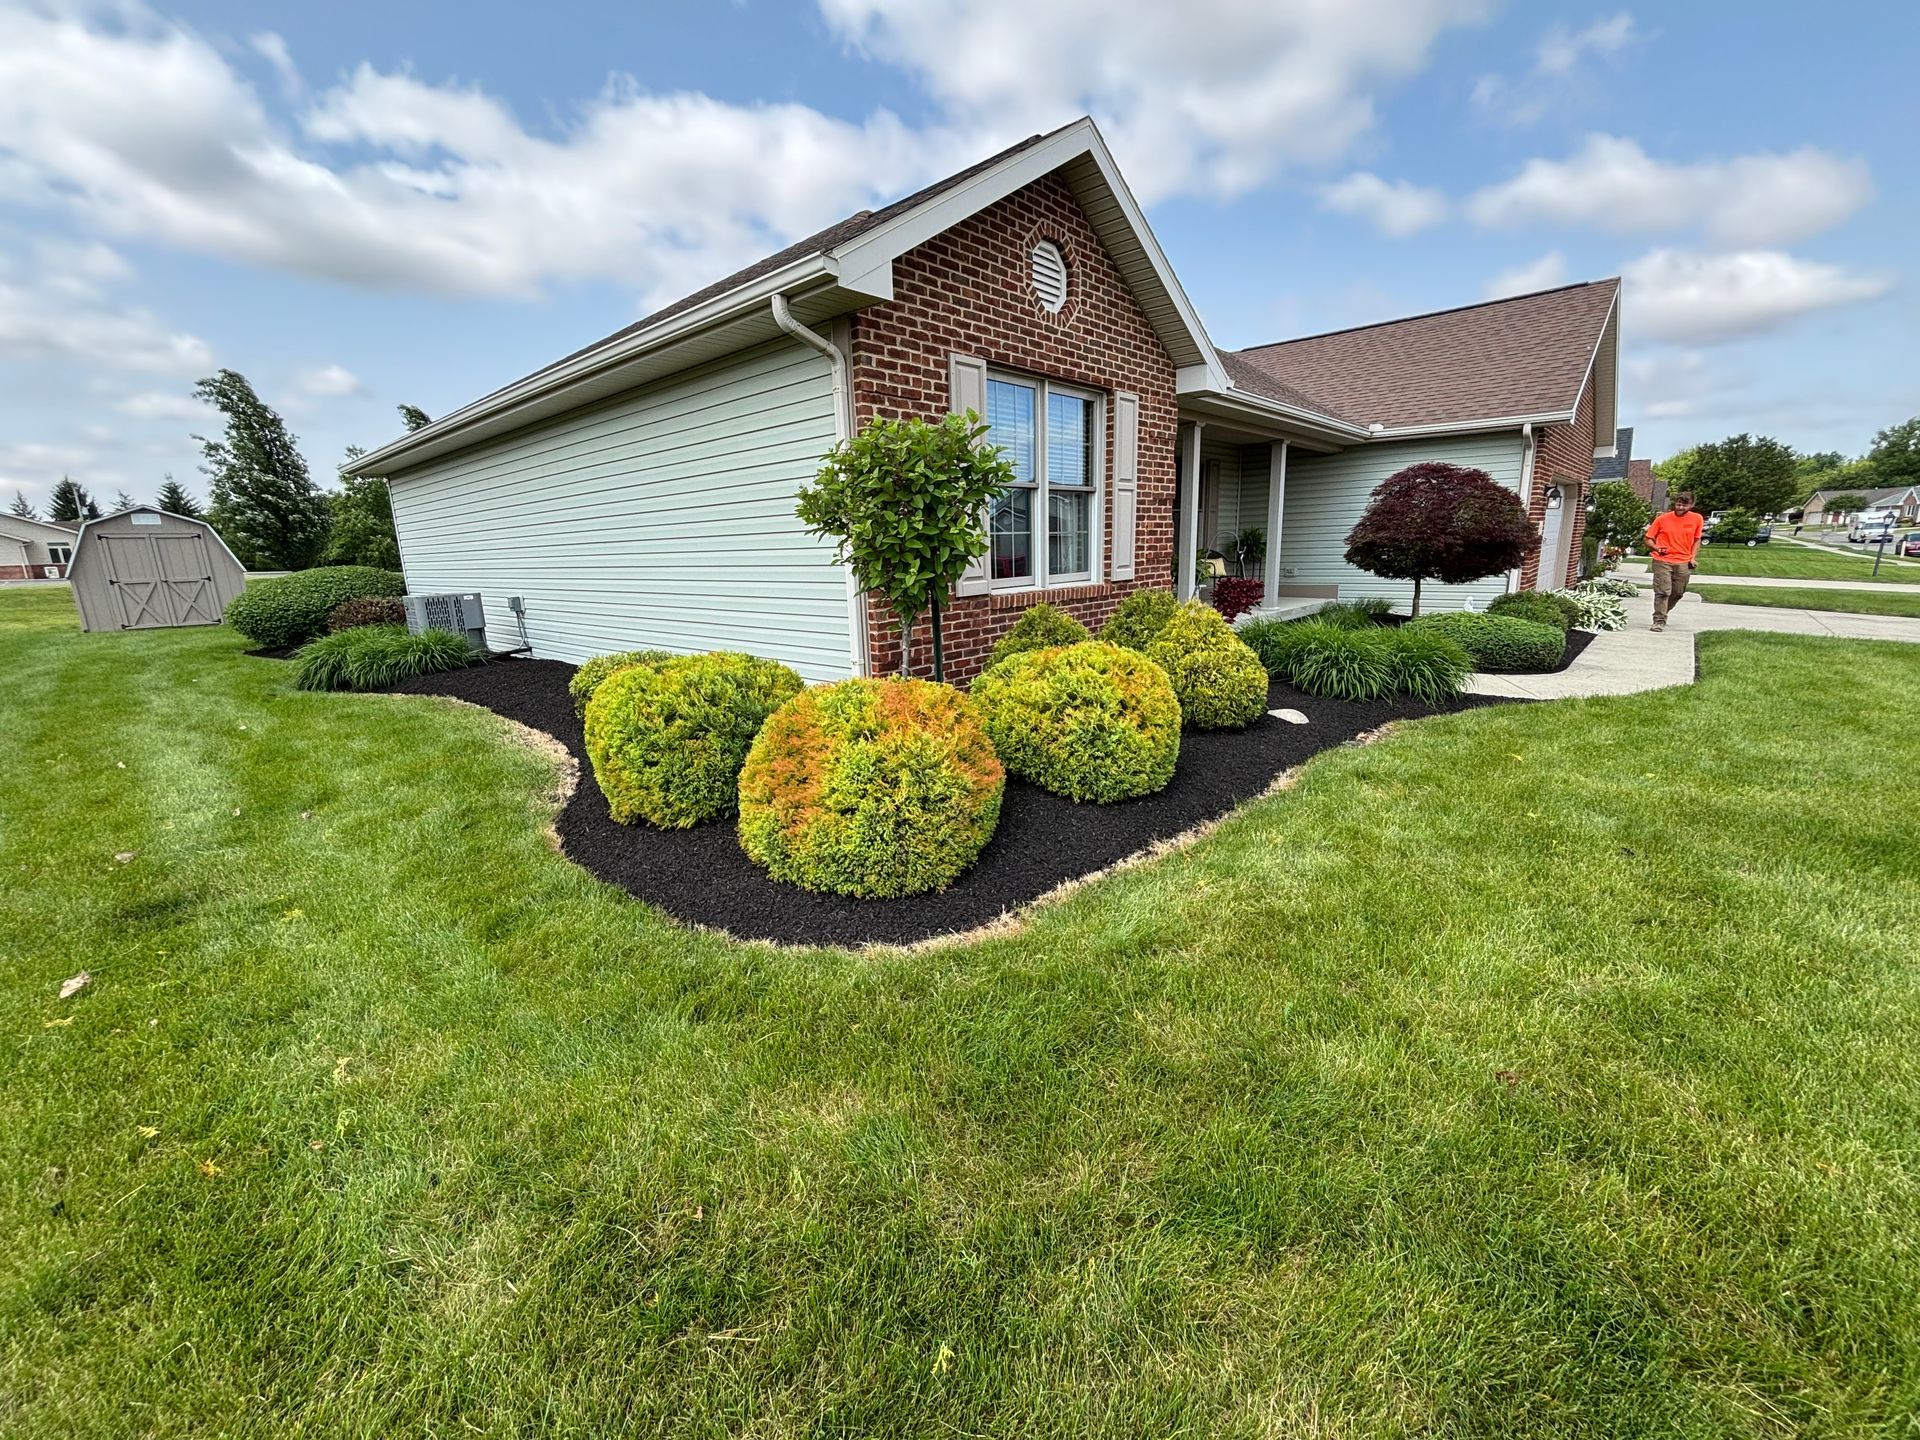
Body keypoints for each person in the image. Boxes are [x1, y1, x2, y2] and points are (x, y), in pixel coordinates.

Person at [1643, 491, 1704, 632]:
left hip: (1683, 561)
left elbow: (1696, 540)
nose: (1680, 507)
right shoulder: (1663, 519)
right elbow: (1648, 538)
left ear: (1691, 505)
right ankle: (1659, 621)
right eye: (1678, 504)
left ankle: (1663, 611)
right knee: (1663, 592)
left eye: (1684, 505)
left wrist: (1692, 557)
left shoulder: (1697, 519)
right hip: (1662, 560)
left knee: (1678, 593)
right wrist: (1657, 548)